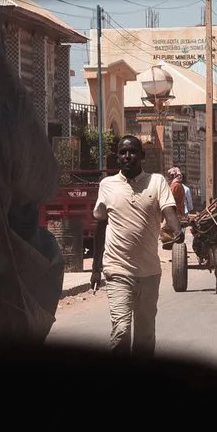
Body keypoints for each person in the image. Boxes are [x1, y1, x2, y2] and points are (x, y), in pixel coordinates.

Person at [87, 134, 183, 354]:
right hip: (117, 270)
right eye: (122, 152)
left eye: (132, 152)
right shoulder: (107, 185)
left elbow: (169, 210)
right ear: (117, 156)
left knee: (144, 336)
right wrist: (96, 268)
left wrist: (177, 230)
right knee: (120, 331)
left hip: (149, 272)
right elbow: (100, 227)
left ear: (142, 156)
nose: (127, 156)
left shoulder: (157, 181)